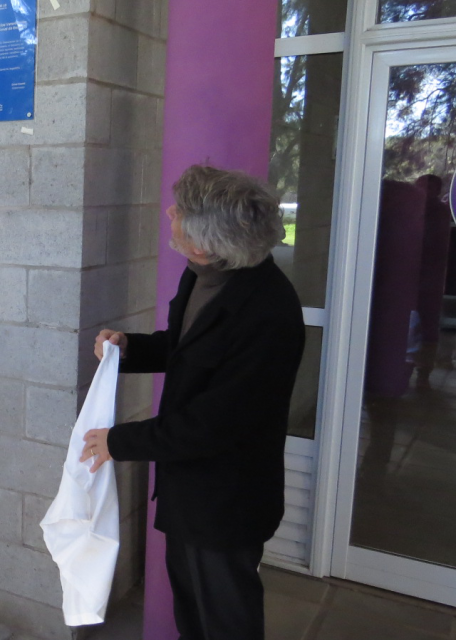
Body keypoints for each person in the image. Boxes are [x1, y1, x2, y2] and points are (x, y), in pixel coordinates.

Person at [82, 165, 305, 640]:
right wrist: (129, 349)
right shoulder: (204, 274)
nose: (169, 212)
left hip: (227, 501)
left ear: (205, 242)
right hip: (187, 488)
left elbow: (215, 423)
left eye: (181, 211)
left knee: (226, 622)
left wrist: (119, 441)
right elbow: (183, 347)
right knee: (192, 614)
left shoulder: (268, 314)